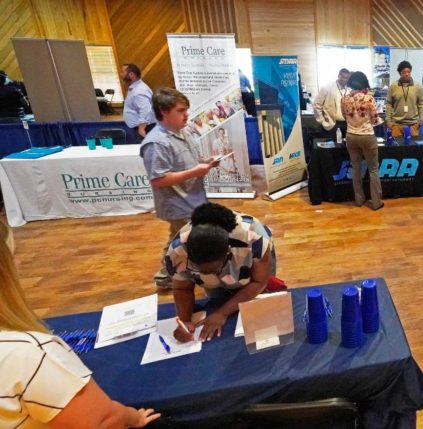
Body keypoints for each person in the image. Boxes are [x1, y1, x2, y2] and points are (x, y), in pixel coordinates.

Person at [0, 224, 161, 428]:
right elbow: (102, 422)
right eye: (13, 254)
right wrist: (133, 417)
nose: (20, 261)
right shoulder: (27, 353)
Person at [141, 88, 219, 290]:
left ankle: (164, 275)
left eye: (186, 110)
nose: (186, 114)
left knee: (177, 238)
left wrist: (206, 163)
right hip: (178, 204)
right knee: (195, 242)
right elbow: (158, 179)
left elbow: (190, 161)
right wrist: (196, 171)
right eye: (181, 110)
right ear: (164, 111)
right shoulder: (156, 143)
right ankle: (207, 283)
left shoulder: (182, 132)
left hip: (192, 200)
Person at [166, 203, 276, 343]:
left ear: (228, 252)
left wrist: (222, 313)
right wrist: (185, 320)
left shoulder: (255, 236)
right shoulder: (177, 253)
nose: (209, 275)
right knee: (217, 297)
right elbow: (182, 288)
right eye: (200, 271)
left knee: (261, 303)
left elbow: (258, 282)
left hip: (251, 260)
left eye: (214, 270)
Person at [341, 71, 384, 210]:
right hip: (367, 136)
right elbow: (375, 119)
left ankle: (359, 199)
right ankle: (376, 202)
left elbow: (344, 116)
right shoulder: (368, 99)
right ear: (363, 83)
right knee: (373, 169)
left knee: (356, 168)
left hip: (350, 136)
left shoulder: (344, 99)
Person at [386, 61, 423, 139]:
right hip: (396, 125)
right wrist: (388, 121)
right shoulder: (393, 86)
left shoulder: (418, 87)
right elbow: (389, 104)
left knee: (412, 150)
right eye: (404, 72)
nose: (407, 74)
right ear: (400, 73)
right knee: (396, 149)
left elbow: (421, 103)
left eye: (408, 72)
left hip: (413, 125)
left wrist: (421, 120)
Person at [121, 64, 157, 141]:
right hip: (144, 127)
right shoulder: (135, 88)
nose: (121, 74)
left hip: (145, 129)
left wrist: (141, 128)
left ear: (131, 75)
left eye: (123, 72)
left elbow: (145, 109)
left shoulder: (139, 90)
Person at [313, 68, 350, 139]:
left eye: (347, 78)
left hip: (347, 125)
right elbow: (317, 105)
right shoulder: (326, 88)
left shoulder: (349, 90)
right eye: (344, 77)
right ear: (339, 76)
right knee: (332, 149)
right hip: (331, 124)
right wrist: (322, 121)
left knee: (346, 148)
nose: (345, 80)